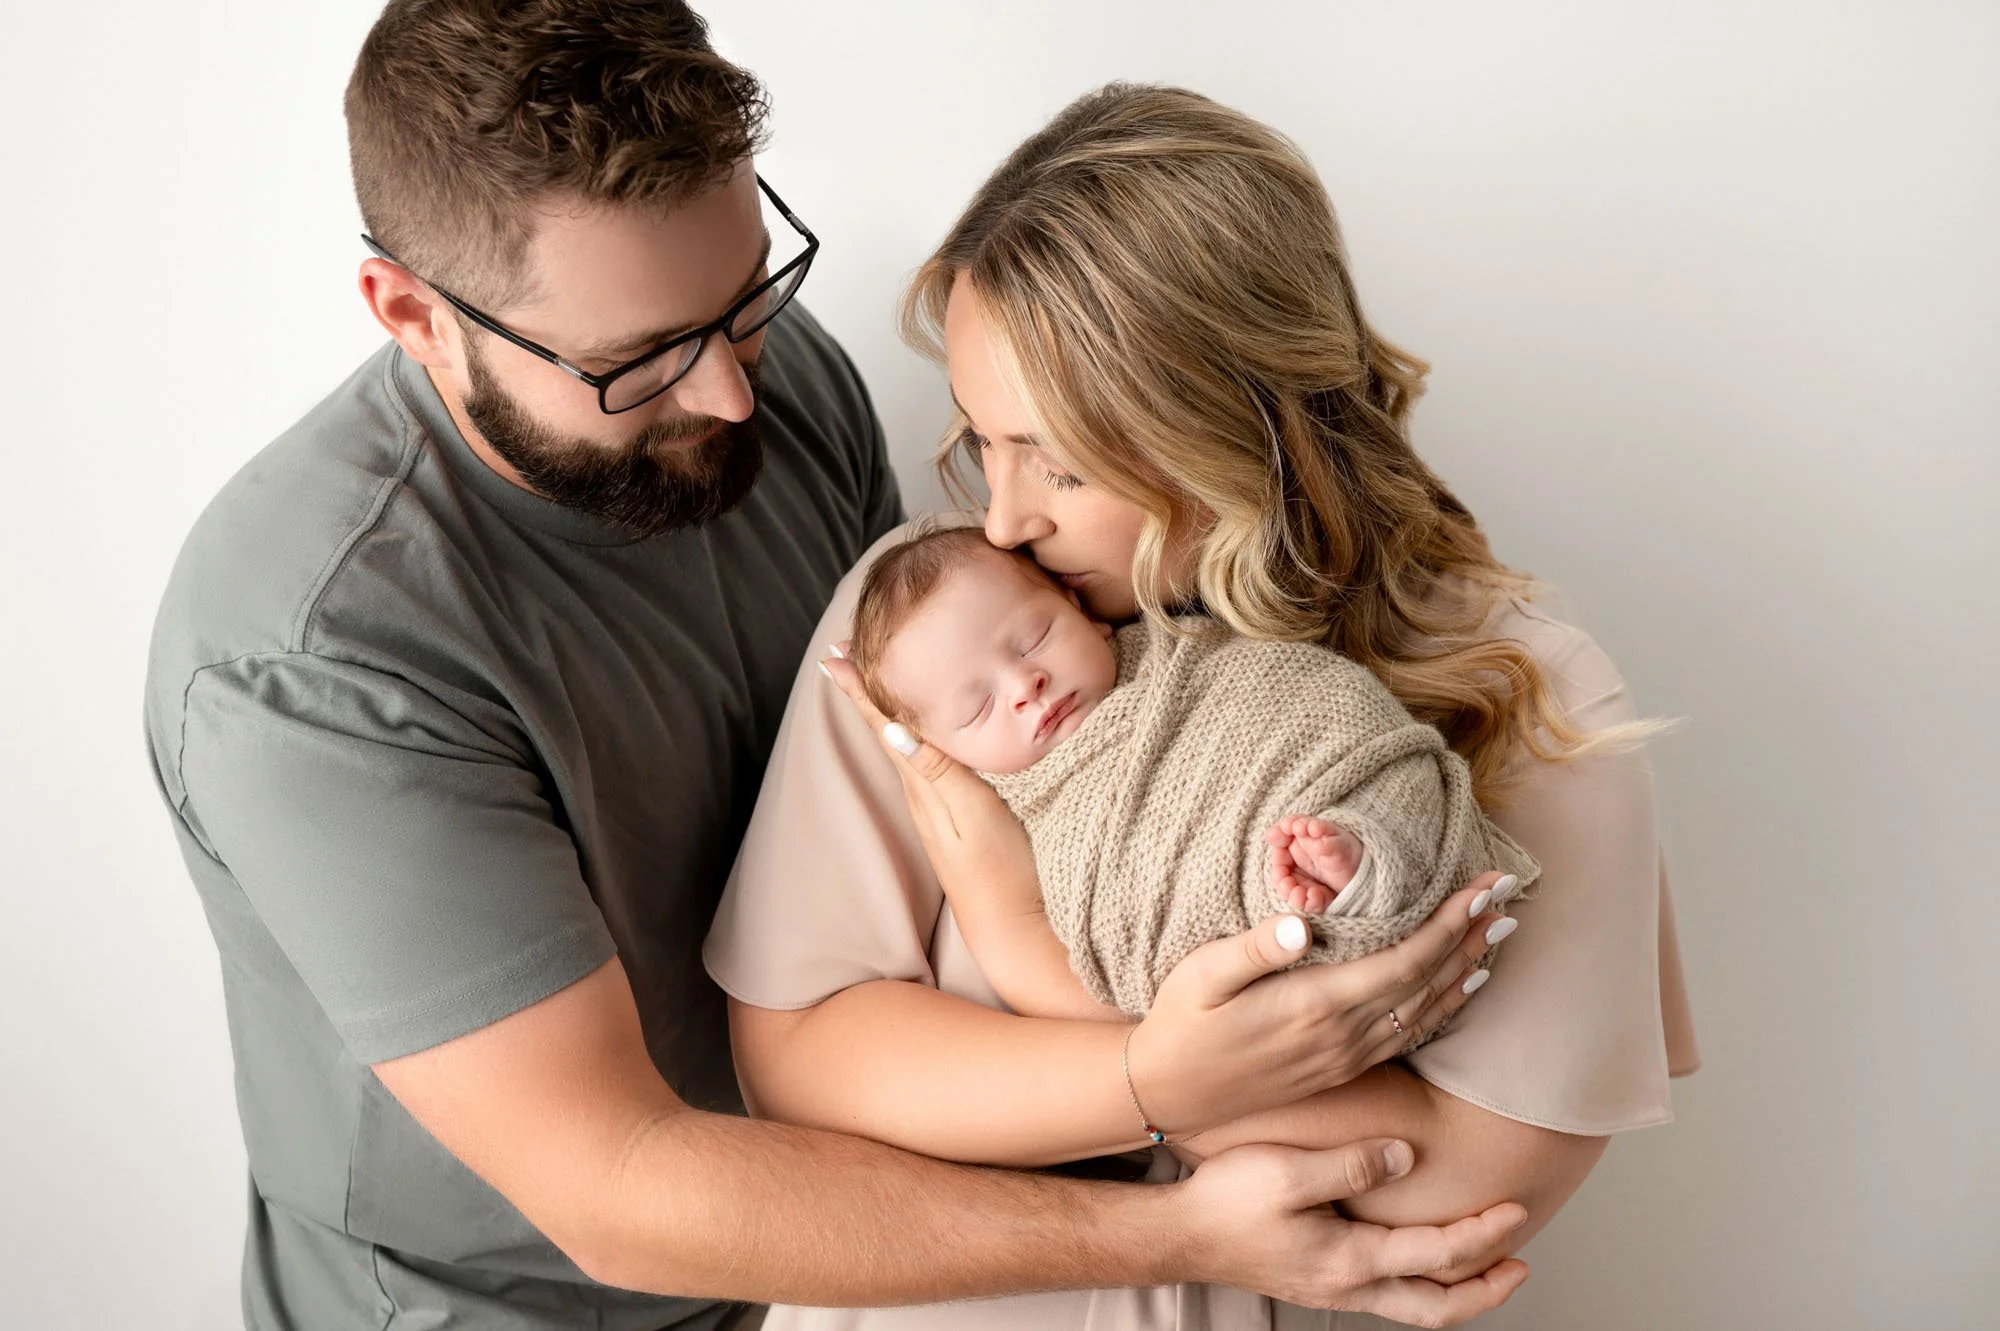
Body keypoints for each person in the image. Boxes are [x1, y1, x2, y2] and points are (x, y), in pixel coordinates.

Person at [144, 5, 1533, 1329]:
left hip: (863, 1216)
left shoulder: (774, 382)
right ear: (410, 312)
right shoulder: (313, 666)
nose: (735, 394)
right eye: (641, 362)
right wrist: (1175, 1204)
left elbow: (930, 811)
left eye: (744, 297)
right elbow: (616, 1187)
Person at [705, 81, 1700, 1329]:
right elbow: (799, 1057)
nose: (1004, 516)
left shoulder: (1518, 692)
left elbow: (1471, 1189)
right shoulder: (938, 622)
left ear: (1229, 423)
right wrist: (1151, 1068)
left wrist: (1057, 1047)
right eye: (981, 438)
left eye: (1056, 461)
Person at [845, 521, 1544, 1025]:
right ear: (945, 750)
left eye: (1033, 638)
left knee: (1344, 820)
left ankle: (1360, 864)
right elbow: (1113, 940)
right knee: (1282, 877)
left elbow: (1320, 704)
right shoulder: (1018, 813)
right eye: (977, 706)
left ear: (1082, 610)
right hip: (1249, 979)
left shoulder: (1200, 654)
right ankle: (1327, 886)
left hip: (1320, 783)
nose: (1024, 684)